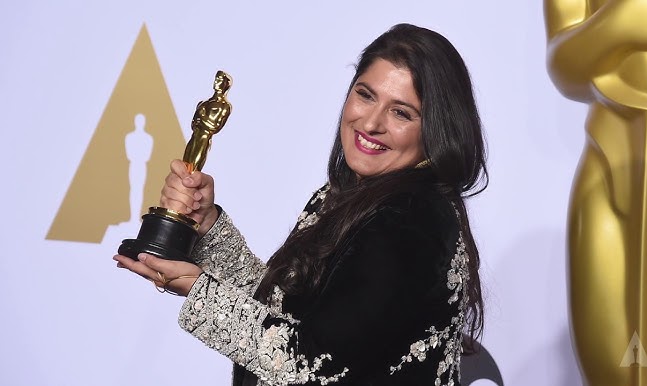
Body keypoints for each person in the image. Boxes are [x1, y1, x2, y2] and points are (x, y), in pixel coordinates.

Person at [114, 23, 487, 386]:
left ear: (437, 129)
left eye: (401, 112)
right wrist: (208, 227)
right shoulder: (349, 193)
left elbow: (313, 365)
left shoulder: (410, 220)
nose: (371, 123)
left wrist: (198, 289)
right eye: (365, 94)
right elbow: (286, 310)